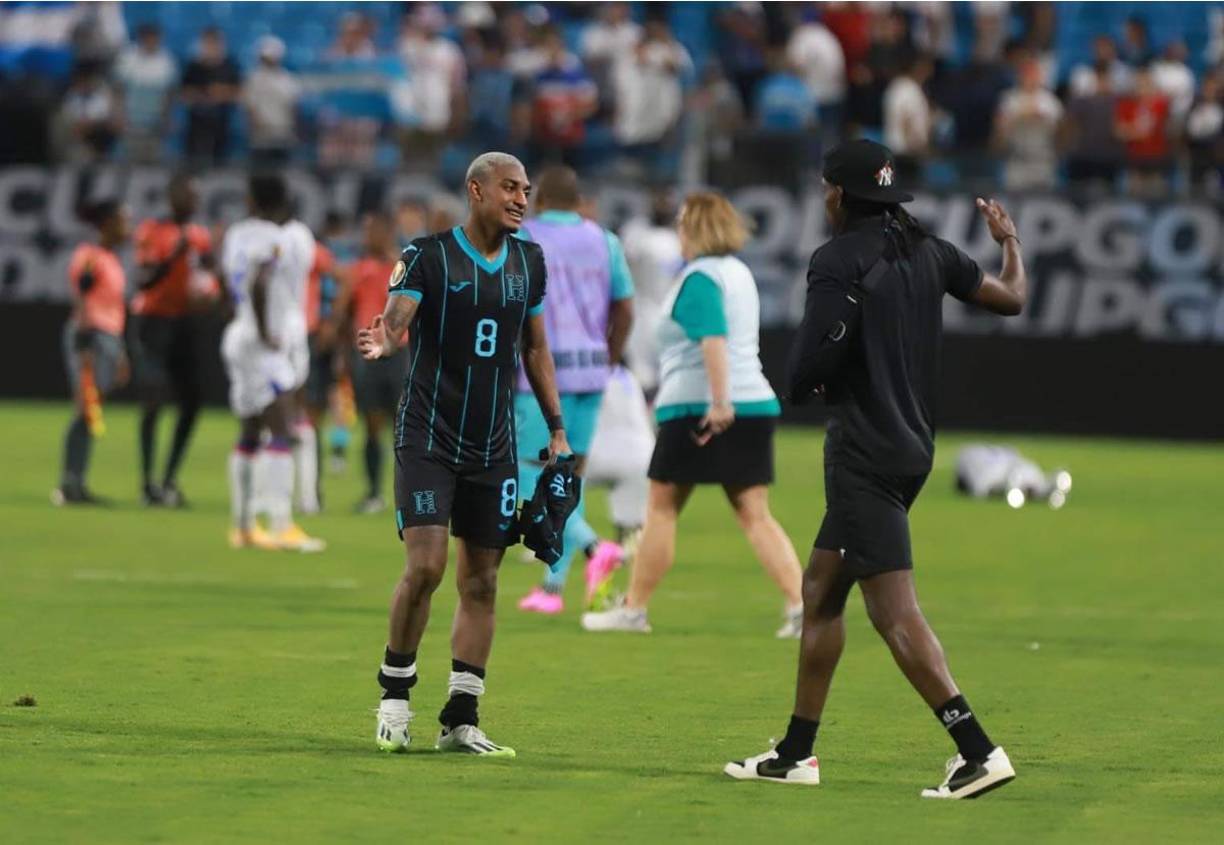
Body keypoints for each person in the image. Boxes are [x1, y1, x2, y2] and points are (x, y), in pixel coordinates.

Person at [724, 139, 1026, 797]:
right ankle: (797, 752)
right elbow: (1010, 298)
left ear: (838, 193)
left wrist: (811, 383)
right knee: (820, 589)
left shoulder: (837, 259)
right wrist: (1011, 243)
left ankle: (976, 749)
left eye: (826, 188)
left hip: (864, 452)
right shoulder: (930, 250)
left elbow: (807, 365)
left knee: (894, 612)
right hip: (913, 448)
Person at [357, 152, 570, 756]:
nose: (521, 199)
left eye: (526, 189)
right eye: (509, 188)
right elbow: (398, 319)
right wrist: (384, 338)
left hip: (494, 444)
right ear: (477, 190)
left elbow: (535, 348)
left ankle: (460, 718)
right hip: (428, 435)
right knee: (425, 568)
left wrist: (556, 429)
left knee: (482, 583)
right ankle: (395, 696)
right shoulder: (426, 255)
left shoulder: (530, 261)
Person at [581, 191, 804, 639]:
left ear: (697, 229)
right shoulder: (739, 273)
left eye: (684, 224)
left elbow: (713, 342)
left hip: (700, 408)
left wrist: (720, 403)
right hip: (754, 402)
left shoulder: (699, 278)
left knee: (660, 510)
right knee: (755, 514)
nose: (679, 232)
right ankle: (802, 608)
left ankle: (633, 610)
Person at [512, 165, 634, 615]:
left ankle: (593, 546)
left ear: (539, 199)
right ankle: (551, 587)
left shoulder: (524, 237)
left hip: (540, 377)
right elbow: (625, 307)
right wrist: (609, 358)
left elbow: (512, 304)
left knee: (526, 473)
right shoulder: (605, 240)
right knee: (567, 479)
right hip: (590, 374)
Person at [220, 173, 324, 552]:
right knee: (281, 428)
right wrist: (266, 332)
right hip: (264, 342)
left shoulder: (236, 235)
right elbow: (262, 282)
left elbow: (229, 282)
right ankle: (281, 525)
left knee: (249, 432)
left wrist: (247, 320)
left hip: (238, 333)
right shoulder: (277, 239)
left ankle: (243, 526)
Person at [129, 174, 215, 507]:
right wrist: (173, 257)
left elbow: (208, 274)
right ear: (173, 197)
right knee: (153, 399)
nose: (194, 202)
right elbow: (144, 281)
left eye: (196, 196)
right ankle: (147, 482)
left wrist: (212, 288)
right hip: (153, 321)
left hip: (186, 322)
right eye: (189, 195)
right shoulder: (153, 231)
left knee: (192, 401)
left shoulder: (199, 236)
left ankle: (168, 480)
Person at [53, 199, 130, 506]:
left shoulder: (112, 259)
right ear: (108, 223)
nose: (129, 226)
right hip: (90, 336)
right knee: (85, 407)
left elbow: (114, 307)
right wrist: (84, 343)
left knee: (90, 409)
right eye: (124, 219)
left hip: (108, 337)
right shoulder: (89, 256)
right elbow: (81, 296)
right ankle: (70, 484)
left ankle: (76, 482)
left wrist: (120, 353)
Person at [331, 211, 404, 514]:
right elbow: (341, 313)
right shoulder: (356, 270)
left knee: (406, 428)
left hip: (401, 352)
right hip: (367, 353)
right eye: (367, 232)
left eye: (375, 231)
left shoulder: (403, 267)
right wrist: (340, 352)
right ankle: (374, 493)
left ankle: (408, 495)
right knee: (372, 425)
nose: (369, 237)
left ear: (388, 233)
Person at [180, 27, 241, 165]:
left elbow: (238, 93)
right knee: (193, 162)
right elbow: (184, 94)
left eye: (214, 42)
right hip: (196, 124)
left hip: (221, 123)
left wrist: (221, 94)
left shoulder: (230, 66)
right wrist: (203, 96)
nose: (211, 46)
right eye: (208, 42)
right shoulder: (193, 67)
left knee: (219, 163)